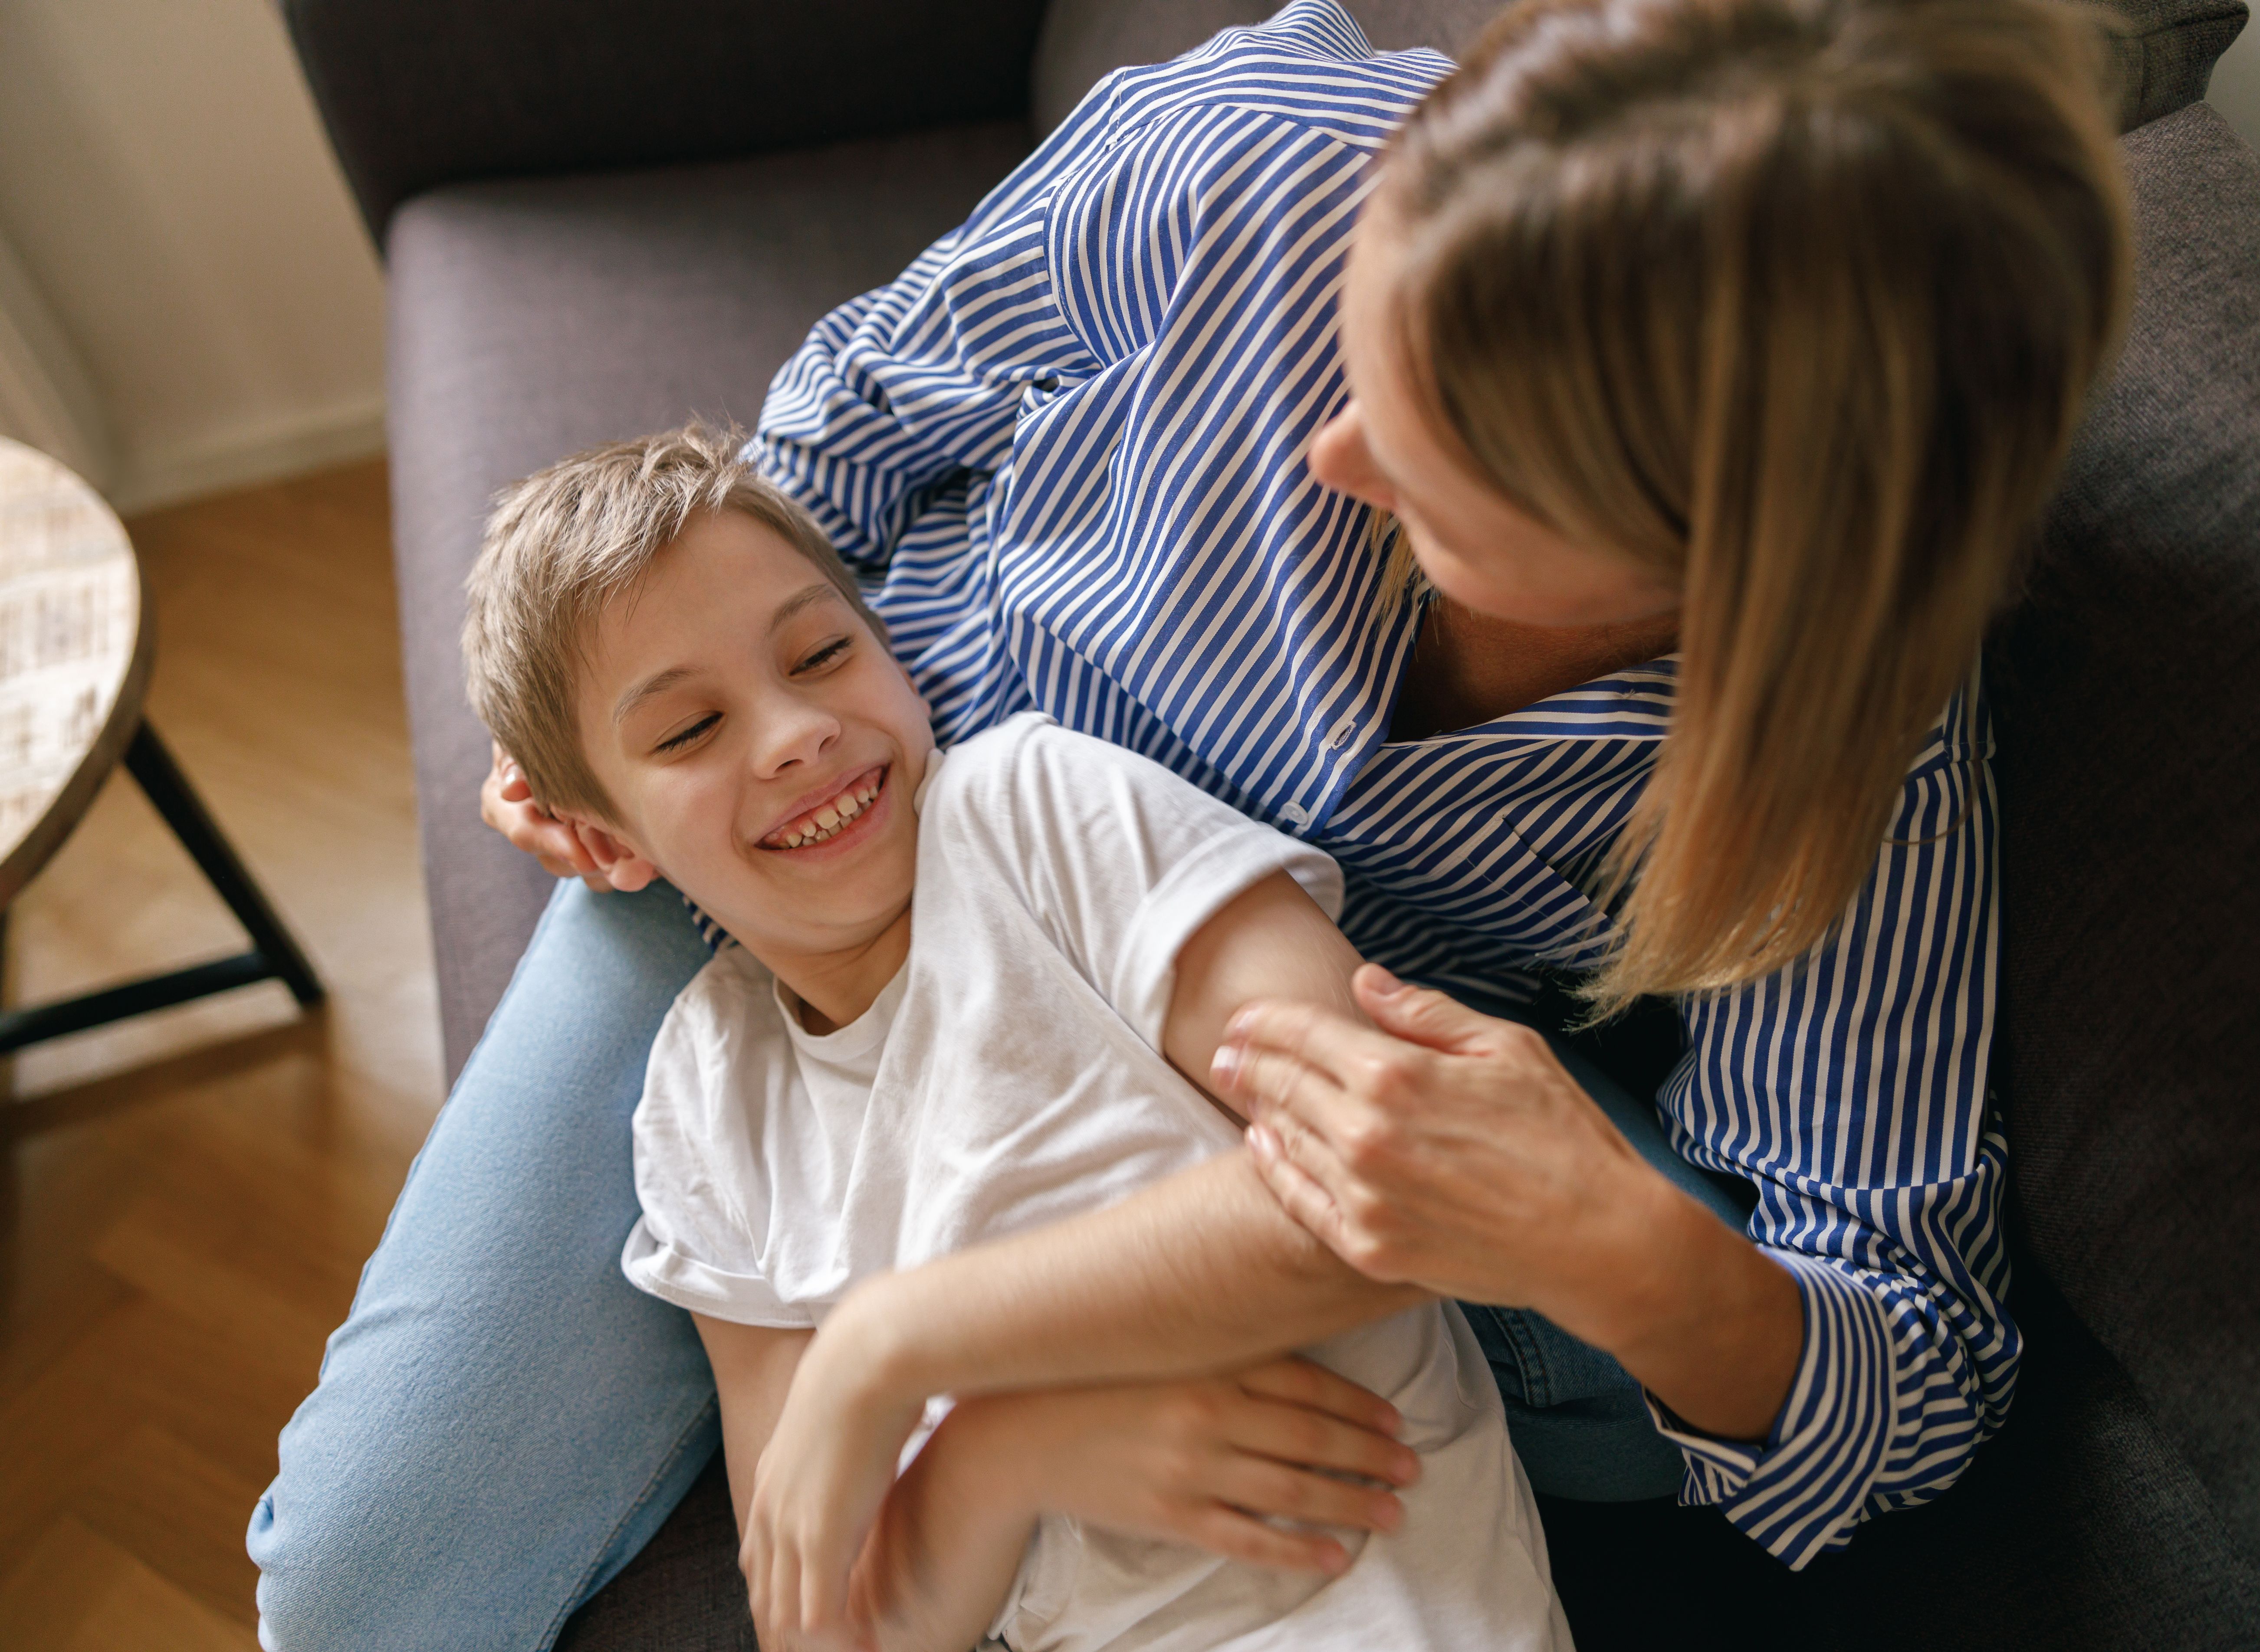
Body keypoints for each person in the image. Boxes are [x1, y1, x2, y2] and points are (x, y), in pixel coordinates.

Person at [249, 1, 2130, 1645]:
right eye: (1364, 340)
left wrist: (1620, 1250)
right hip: (861, 848)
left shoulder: (1846, 764)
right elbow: (853, 411)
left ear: (1720, 548)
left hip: (1281, 1129)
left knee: (1651, 1312)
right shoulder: (1246, 156)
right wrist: (655, 708)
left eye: (1442, 452)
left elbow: (1913, 1354)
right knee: (362, 1583)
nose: (1334, 451)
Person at [460, 424, 1571, 1651]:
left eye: (824, 654)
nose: (793, 734)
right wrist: (1004, 1456)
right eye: (688, 732)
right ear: (608, 844)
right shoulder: (706, 1103)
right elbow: (821, 1627)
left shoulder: (1040, 814)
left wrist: (896, 1347)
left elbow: (1412, 1180)